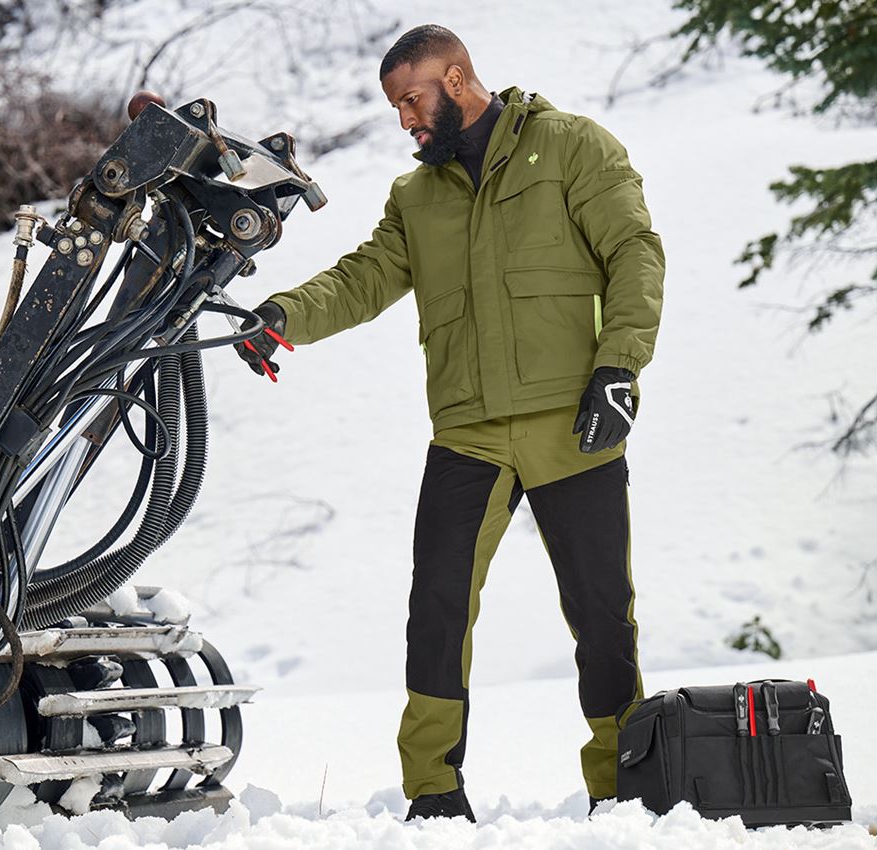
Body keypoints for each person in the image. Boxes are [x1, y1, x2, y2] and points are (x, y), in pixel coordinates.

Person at [235, 24, 665, 822]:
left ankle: (623, 781)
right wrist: (283, 314)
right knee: (435, 604)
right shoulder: (417, 197)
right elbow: (363, 279)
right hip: (468, 433)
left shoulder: (572, 148)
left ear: (458, 79)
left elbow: (635, 253)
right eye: (397, 106)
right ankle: (433, 789)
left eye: (412, 100)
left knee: (603, 611)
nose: (405, 120)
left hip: (572, 422)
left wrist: (618, 369)